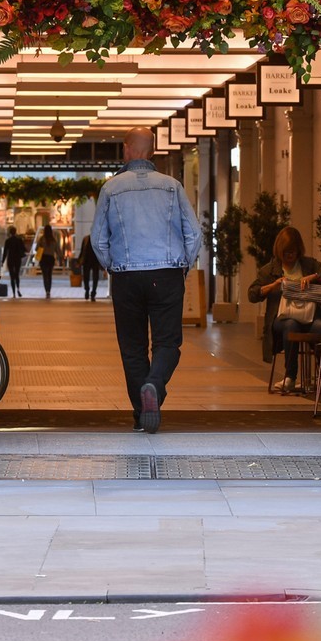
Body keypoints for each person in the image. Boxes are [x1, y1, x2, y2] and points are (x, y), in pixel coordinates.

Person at [92, 127, 202, 434]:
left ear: (127, 150)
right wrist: (183, 267)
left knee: (132, 347)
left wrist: (114, 267)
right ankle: (154, 385)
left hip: (127, 277)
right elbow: (194, 234)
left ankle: (142, 414)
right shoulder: (172, 186)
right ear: (152, 152)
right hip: (166, 275)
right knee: (168, 342)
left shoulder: (111, 188)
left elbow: (98, 239)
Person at [247, 227, 321, 393]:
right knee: (291, 324)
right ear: (279, 251)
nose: (289, 256)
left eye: (292, 252)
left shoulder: (309, 264)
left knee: (320, 327)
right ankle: (290, 376)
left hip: (310, 316)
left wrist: (313, 276)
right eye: (286, 253)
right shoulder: (269, 270)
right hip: (282, 318)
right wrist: (274, 285)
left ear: (299, 250)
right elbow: (252, 294)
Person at [78, 234, 103, 301]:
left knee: (92, 277)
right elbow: (82, 250)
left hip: (92, 261)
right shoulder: (90, 239)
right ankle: (89, 291)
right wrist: (79, 260)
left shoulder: (95, 239)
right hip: (89, 260)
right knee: (90, 277)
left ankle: (91, 292)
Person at [2, 229, 26, 297]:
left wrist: (3, 261)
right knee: (17, 275)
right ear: (15, 232)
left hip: (10, 259)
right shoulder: (19, 240)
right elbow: (24, 249)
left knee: (12, 276)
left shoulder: (8, 241)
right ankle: (18, 289)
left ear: (10, 233)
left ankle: (14, 293)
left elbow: (5, 252)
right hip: (17, 259)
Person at [35, 225, 57, 298]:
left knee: (45, 275)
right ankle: (49, 291)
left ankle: (46, 290)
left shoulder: (41, 239)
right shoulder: (53, 240)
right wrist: (61, 256)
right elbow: (57, 249)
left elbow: (36, 248)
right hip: (51, 258)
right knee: (49, 275)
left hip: (43, 258)